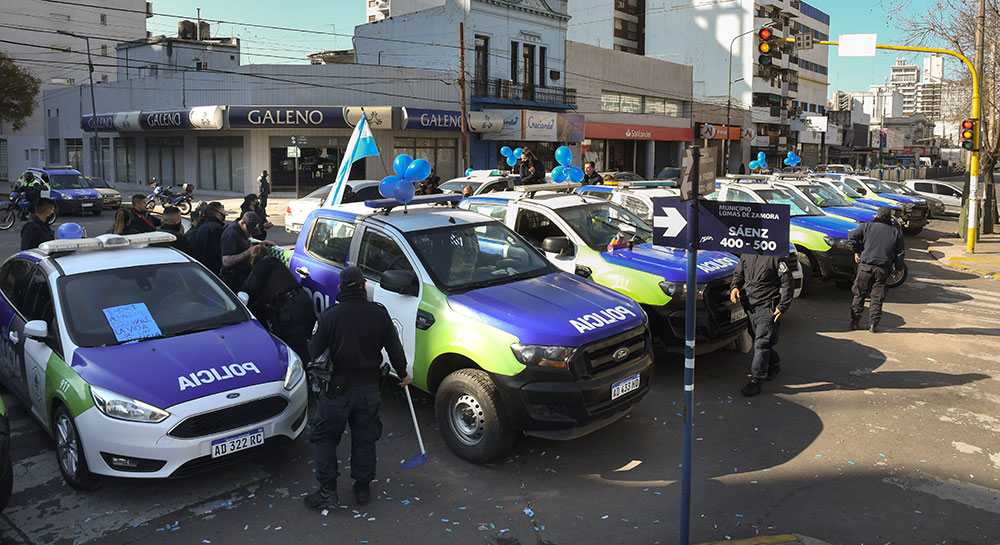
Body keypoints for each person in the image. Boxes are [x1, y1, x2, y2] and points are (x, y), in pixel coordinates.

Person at [305, 266, 410, 509]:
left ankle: (327, 492)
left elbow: (315, 352)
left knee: (325, 437)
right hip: (369, 389)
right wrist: (403, 374)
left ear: (340, 289)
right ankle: (362, 488)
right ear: (364, 286)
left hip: (336, 391)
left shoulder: (330, 316)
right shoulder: (378, 314)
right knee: (365, 438)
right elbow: (394, 348)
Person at [730, 252, 794, 397]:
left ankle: (757, 379)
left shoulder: (776, 257)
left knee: (761, 343)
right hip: (750, 306)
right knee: (756, 337)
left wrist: (782, 306)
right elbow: (739, 274)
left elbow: (787, 282)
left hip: (767, 307)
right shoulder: (747, 254)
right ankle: (773, 363)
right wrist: (735, 287)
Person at [241, 245, 316, 366]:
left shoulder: (264, 262)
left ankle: (304, 378)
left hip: (290, 306)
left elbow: (249, 288)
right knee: (307, 342)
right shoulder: (277, 267)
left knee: (296, 347)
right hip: (302, 300)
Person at [848, 207, 904, 333]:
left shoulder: (866, 227)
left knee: (859, 294)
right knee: (877, 297)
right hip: (882, 269)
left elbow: (851, 236)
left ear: (877, 216)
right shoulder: (896, 232)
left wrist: (856, 251)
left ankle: (855, 321)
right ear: (889, 218)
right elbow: (899, 253)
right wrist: (898, 269)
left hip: (865, 267)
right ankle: (873, 323)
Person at [220, 211, 272, 291]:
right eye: (249, 231)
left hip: (242, 275)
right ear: (242, 223)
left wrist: (260, 244)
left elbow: (242, 245)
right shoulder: (231, 234)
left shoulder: (241, 230)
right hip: (232, 280)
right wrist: (249, 252)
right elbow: (226, 261)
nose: (250, 235)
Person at [194, 201, 227, 274]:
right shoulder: (216, 228)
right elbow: (219, 251)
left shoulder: (202, 227)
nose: (224, 215)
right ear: (218, 214)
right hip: (213, 269)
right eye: (223, 212)